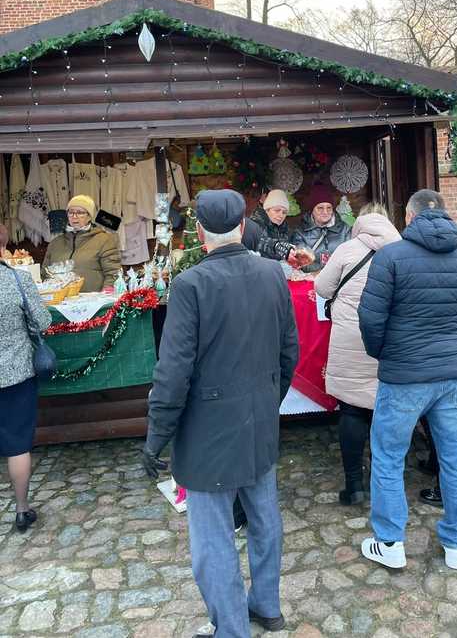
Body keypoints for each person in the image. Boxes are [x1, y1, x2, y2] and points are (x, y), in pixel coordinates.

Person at [142, 189, 299, 638]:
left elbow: (172, 373)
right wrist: (271, 400)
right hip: (259, 421)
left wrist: (157, 437)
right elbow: (291, 351)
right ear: (245, 226)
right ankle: (267, 606)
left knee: (213, 539)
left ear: (198, 232)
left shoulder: (191, 284)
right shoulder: (272, 273)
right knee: (265, 518)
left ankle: (232, 628)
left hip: (209, 433)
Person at [357, 189, 457, 571]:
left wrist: (384, 353)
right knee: (455, 460)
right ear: (445, 215)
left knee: (387, 457)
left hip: (403, 376)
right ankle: (455, 545)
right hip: (451, 376)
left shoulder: (390, 257)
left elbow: (370, 317)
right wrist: (454, 345)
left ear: (410, 218)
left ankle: (390, 542)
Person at [314, 203, 401, 505]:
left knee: (352, 409)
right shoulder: (402, 250)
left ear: (360, 223)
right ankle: (383, 482)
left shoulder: (346, 249)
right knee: (385, 411)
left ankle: (355, 486)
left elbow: (322, 288)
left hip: (352, 337)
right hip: (390, 340)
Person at [0, 223, 52, 533]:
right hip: (15, 373)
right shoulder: (16, 280)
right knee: (18, 444)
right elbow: (42, 320)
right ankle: (21, 509)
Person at [42, 195, 121, 292]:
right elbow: (44, 274)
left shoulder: (104, 240)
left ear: (89, 216)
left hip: (93, 303)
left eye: (80, 213)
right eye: (71, 212)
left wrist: (105, 297)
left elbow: (113, 273)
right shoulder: (55, 243)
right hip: (59, 301)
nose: (74, 216)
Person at [291, 184, 351, 272]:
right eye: (320, 208)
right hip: (313, 281)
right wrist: (323, 273)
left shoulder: (345, 230)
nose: (325, 212)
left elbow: (350, 257)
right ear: (312, 209)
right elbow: (301, 262)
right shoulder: (300, 233)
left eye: (329, 208)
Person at [250, 189, 298, 263]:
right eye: (277, 210)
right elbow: (258, 242)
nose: (281, 215)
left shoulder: (284, 228)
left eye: (284, 212)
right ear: (267, 210)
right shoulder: (255, 223)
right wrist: (276, 246)